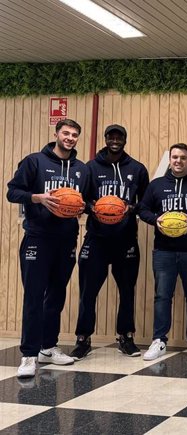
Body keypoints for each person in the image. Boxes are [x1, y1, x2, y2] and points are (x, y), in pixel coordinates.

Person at [7, 119, 89, 378]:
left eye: (74, 134)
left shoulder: (82, 170)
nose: (70, 138)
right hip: (37, 238)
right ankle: (29, 354)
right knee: (34, 296)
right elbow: (12, 192)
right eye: (66, 133)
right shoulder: (34, 162)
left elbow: (83, 203)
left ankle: (48, 347)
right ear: (56, 134)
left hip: (66, 240)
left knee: (56, 295)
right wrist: (37, 197)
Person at [70, 125, 150, 360]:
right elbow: (79, 200)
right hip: (96, 239)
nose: (115, 140)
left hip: (126, 239)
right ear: (105, 139)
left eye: (119, 137)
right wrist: (91, 207)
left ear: (125, 139)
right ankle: (83, 339)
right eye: (111, 136)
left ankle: (126, 337)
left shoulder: (137, 169)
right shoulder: (90, 168)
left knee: (127, 292)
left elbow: (145, 203)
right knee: (87, 292)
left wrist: (131, 208)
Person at [138, 143, 187, 361]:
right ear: (170, 159)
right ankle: (159, 340)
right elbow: (142, 209)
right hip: (164, 251)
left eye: (183, 157)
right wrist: (156, 219)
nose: (178, 161)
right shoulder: (156, 185)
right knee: (162, 296)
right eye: (174, 157)